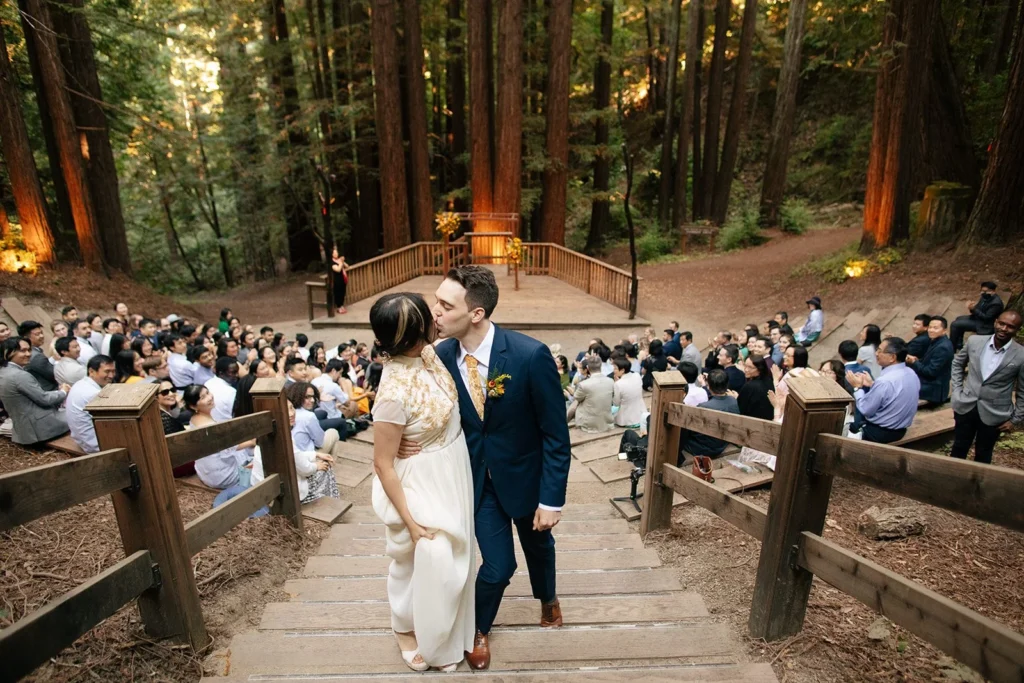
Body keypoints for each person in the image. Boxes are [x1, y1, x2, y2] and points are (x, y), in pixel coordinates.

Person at [428, 266, 571, 671]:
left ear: (475, 314)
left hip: (527, 479)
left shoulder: (529, 355)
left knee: (539, 548)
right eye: (436, 301)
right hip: (477, 482)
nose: (435, 311)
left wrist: (551, 499)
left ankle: (548, 600)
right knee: (498, 565)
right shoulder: (439, 357)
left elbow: (556, 435)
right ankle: (478, 627)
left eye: (444, 304)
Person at [367, 292, 474, 671]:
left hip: (452, 465)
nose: (438, 316)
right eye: (432, 313)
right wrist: (410, 522)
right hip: (418, 479)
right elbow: (382, 464)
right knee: (423, 558)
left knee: (458, 557)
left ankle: (447, 634)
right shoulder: (393, 392)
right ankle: (406, 629)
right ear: (417, 334)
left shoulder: (428, 355)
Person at [950, 311, 1024, 464]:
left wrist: (1015, 419)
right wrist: (957, 391)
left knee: (984, 453)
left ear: (1017, 330)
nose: (1004, 329)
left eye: (1010, 327)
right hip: (966, 406)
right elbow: (957, 363)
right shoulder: (974, 341)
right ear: (995, 322)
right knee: (959, 448)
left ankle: (977, 486)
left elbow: (1023, 390)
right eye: (1001, 324)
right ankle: (953, 484)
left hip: (995, 413)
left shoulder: (1021, 355)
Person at [847, 337, 920, 444]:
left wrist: (857, 387)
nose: (876, 353)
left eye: (880, 351)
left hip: (878, 433)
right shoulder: (911, 373)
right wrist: (872, 384)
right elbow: (893, 394)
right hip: (900, 430)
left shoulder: (885, 381)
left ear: (892, 357)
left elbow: (866, 409)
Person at [0, 337, 70, 445]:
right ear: (8, 353)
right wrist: (63, 392)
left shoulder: (3, 371)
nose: (28, 354)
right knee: (79, 414)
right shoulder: (19, 375)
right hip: (40, 428)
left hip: (24, 428)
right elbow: (44, 399)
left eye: (29, 350)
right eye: (22, 351)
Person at [183, 384, 253, 489]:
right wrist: (252, 441)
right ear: (193, 406)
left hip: (205, 472)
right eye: (203, 397)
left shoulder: (194, 419)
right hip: (221, 477)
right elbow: (229, 449)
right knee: (256, 459)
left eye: (208, 392)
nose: (210, 397)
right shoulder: (207, 426)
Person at [678, 369, 739, 462]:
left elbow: (690, 430)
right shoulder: (733, 400)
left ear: (709, 386)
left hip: (702, 448)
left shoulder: (704, 407)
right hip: (722, 442)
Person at [66, 355, 116, 453]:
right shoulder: (94, 393)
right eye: (107, 371)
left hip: (81, 438)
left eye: (113, 371)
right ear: (91, 371)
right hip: (95, 444)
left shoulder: (80, 383)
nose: (111, 376)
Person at [907, 316, 954, 406]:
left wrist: (914, 362)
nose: (931, 330)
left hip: (934, 388)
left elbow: (930, 372)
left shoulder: (943, 347)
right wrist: (917, 360)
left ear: (944, 330)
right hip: (930, 381)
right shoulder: (937, 341)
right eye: (930, 327)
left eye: (935, 328)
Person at [288, 381, 342, 453]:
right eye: (307, 397)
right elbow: (320, 443)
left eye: (313, 397)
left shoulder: (288, 411)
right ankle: (330, 462)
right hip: (306, 457)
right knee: (333, 432)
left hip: (293, 454)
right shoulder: (308, 416)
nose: (313, 400)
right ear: (297, 396)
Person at [950, 281, 1005, 350]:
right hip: (978, 319)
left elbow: (987, 318)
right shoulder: (985, 297)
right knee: (958, 319)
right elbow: (977, 308)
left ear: (993, 291)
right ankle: (958, 344)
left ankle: (952, 347)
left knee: (955, 324)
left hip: (984, 325)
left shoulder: (996, 304)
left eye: (986, 291)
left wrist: (974, 309)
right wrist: (971, 307)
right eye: (982, 290)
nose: (983, 293)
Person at [569, 355, 614, 433]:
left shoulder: (583, 384)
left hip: (588, 425)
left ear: (588, 368)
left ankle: (564, 421)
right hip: (606, 421)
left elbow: (576, 398)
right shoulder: (611, 381)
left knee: (575, 403)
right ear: (601, 366)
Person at [18, 321, 58, 391]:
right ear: (26, 338)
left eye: (41, 333)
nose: (42, 336)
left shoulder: (33, 351)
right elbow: (55, 374)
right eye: (37, 334)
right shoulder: (35, 356)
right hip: (51, 391)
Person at [737, 354, 774, 421]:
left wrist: (736, 397)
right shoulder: (768, 380)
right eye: (745, 366)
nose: (746, 369)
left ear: (759, 369)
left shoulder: (750, 386)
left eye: (750, 367)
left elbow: (740, 408)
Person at [205, 356, 239, 422]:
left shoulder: (207, 383)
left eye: (237, 372)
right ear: (221, 373)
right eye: (233, 372)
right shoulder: (231, 392)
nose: (237, 375)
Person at [331, 247, 349, 314]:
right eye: (335, 253)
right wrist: (341, 262)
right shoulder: (332, 262)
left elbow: (347, 266)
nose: (336, 254)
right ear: (332, 254)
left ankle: (342, 305)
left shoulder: (339, 260)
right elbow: (338, 270)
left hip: (343, 279)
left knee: (342, 292)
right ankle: (339, 307)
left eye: (337, 252)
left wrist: (343, 261)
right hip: (337, 280)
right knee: (338, 293)